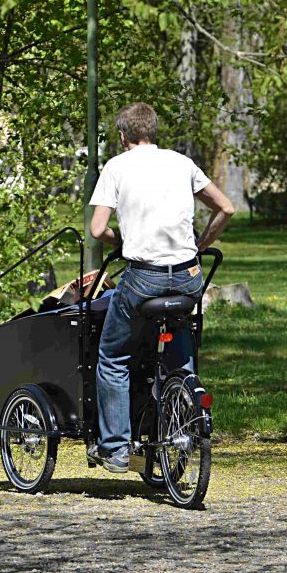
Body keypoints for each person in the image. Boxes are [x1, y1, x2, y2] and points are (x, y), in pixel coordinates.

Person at [87, 102, 234, 472]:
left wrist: (120, 242)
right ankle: (183, 400)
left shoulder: (116, 167)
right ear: (153, 132)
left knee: (113, 356)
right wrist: (199, 245)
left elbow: (96, 229)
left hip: (144, 279)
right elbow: (226, 208)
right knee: (178, 350)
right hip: (188, 277)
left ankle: (117, 448)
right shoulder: (181, 163)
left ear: (123, 135)